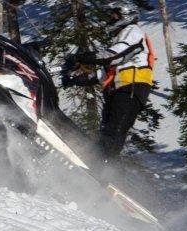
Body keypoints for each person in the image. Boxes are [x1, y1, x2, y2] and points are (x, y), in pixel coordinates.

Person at [62, 1, 155, 160]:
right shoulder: (122, 36)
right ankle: (100, 164)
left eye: (114, 14)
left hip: (131, 88)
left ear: (125, 15)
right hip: (120, 90)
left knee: (114, 131)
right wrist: (74, 80)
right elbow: (102, 74)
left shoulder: (132, 31)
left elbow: (113, 55)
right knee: (107, 132)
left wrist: (80, 58)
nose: (110, 18)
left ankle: (103, 167)